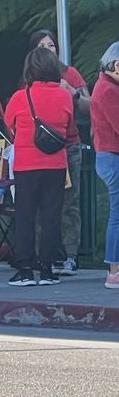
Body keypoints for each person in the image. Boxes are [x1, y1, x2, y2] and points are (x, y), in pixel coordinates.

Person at [4, 47, 76, 286]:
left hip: (26, 165)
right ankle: (47, 269)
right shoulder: (65, 96)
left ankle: (25, 269)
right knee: (51, 216)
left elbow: (8, 123)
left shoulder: (19, 97)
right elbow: (68, 121)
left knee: (25, 216)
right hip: (56, 164)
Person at [30, 29, 90, 276]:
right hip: (39, 148)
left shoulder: (70, 74)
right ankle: (43, 255)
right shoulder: (28, 79)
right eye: (42, 45)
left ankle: (70, 255)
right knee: (40, 204)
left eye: (51, 45)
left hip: (69, 146)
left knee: (69, 202)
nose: (48, 49)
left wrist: (72, 93)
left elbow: (90, 107)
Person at [91, 42, 119, 289]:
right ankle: (114, 270)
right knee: (117, 215)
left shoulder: (104, 86)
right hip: (112, 156)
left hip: (107, 155)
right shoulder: (109, 91)